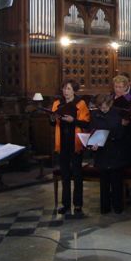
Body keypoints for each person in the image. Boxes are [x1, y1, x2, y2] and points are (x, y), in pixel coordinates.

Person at [51, 79, 90, 218]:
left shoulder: (80, 103)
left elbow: (85, 122)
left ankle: (78, 204)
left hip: (75, 142)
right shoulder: (57, 103)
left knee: (77, 175)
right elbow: (52, 122)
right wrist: (52, 117)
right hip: (62, 143)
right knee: (65, 175)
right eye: (64, 89)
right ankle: (65, 204)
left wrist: (73, 121)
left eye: (68, 89)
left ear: (74, 90)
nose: (65, 91)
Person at [90, 94, 131, 214]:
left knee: (116, 182)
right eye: (100, 107)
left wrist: (122, 127)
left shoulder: (118, 113)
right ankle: (105, 207)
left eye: (105, 107)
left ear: (110, 104)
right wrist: (93, 144)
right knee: (104, 183)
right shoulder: (95, 114)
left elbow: (122, 134)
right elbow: (92, 130)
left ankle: (117, 207)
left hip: (115, 151)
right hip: (101, 152)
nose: (102, 110)